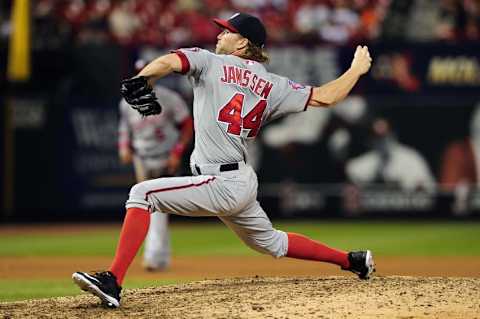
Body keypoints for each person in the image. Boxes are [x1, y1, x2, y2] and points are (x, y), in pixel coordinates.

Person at [72, 12, 374, 308]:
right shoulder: (274, 85)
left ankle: (113, 280)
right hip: (241, 179)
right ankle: (352, 260)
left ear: (242, 44)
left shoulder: (210, 62)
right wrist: (356, 70)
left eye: (227, 32)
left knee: (143, 193)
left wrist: (143, 79)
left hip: (220, 182)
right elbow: (327, 96)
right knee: (272, 242)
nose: (219, 35)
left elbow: (168, 61)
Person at [118, 67, 194, 271]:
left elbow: (187, 125)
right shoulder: (127, 101)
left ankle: (154, 256)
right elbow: (125, 128)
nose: (141, 78)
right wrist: (124, 146)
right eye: (138, 74)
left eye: (146, 75)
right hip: (142, 159)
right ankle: (160, 257)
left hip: (164, 157)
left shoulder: (169, 98)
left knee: (155, 205)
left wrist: (177, 152)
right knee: (151, 205)